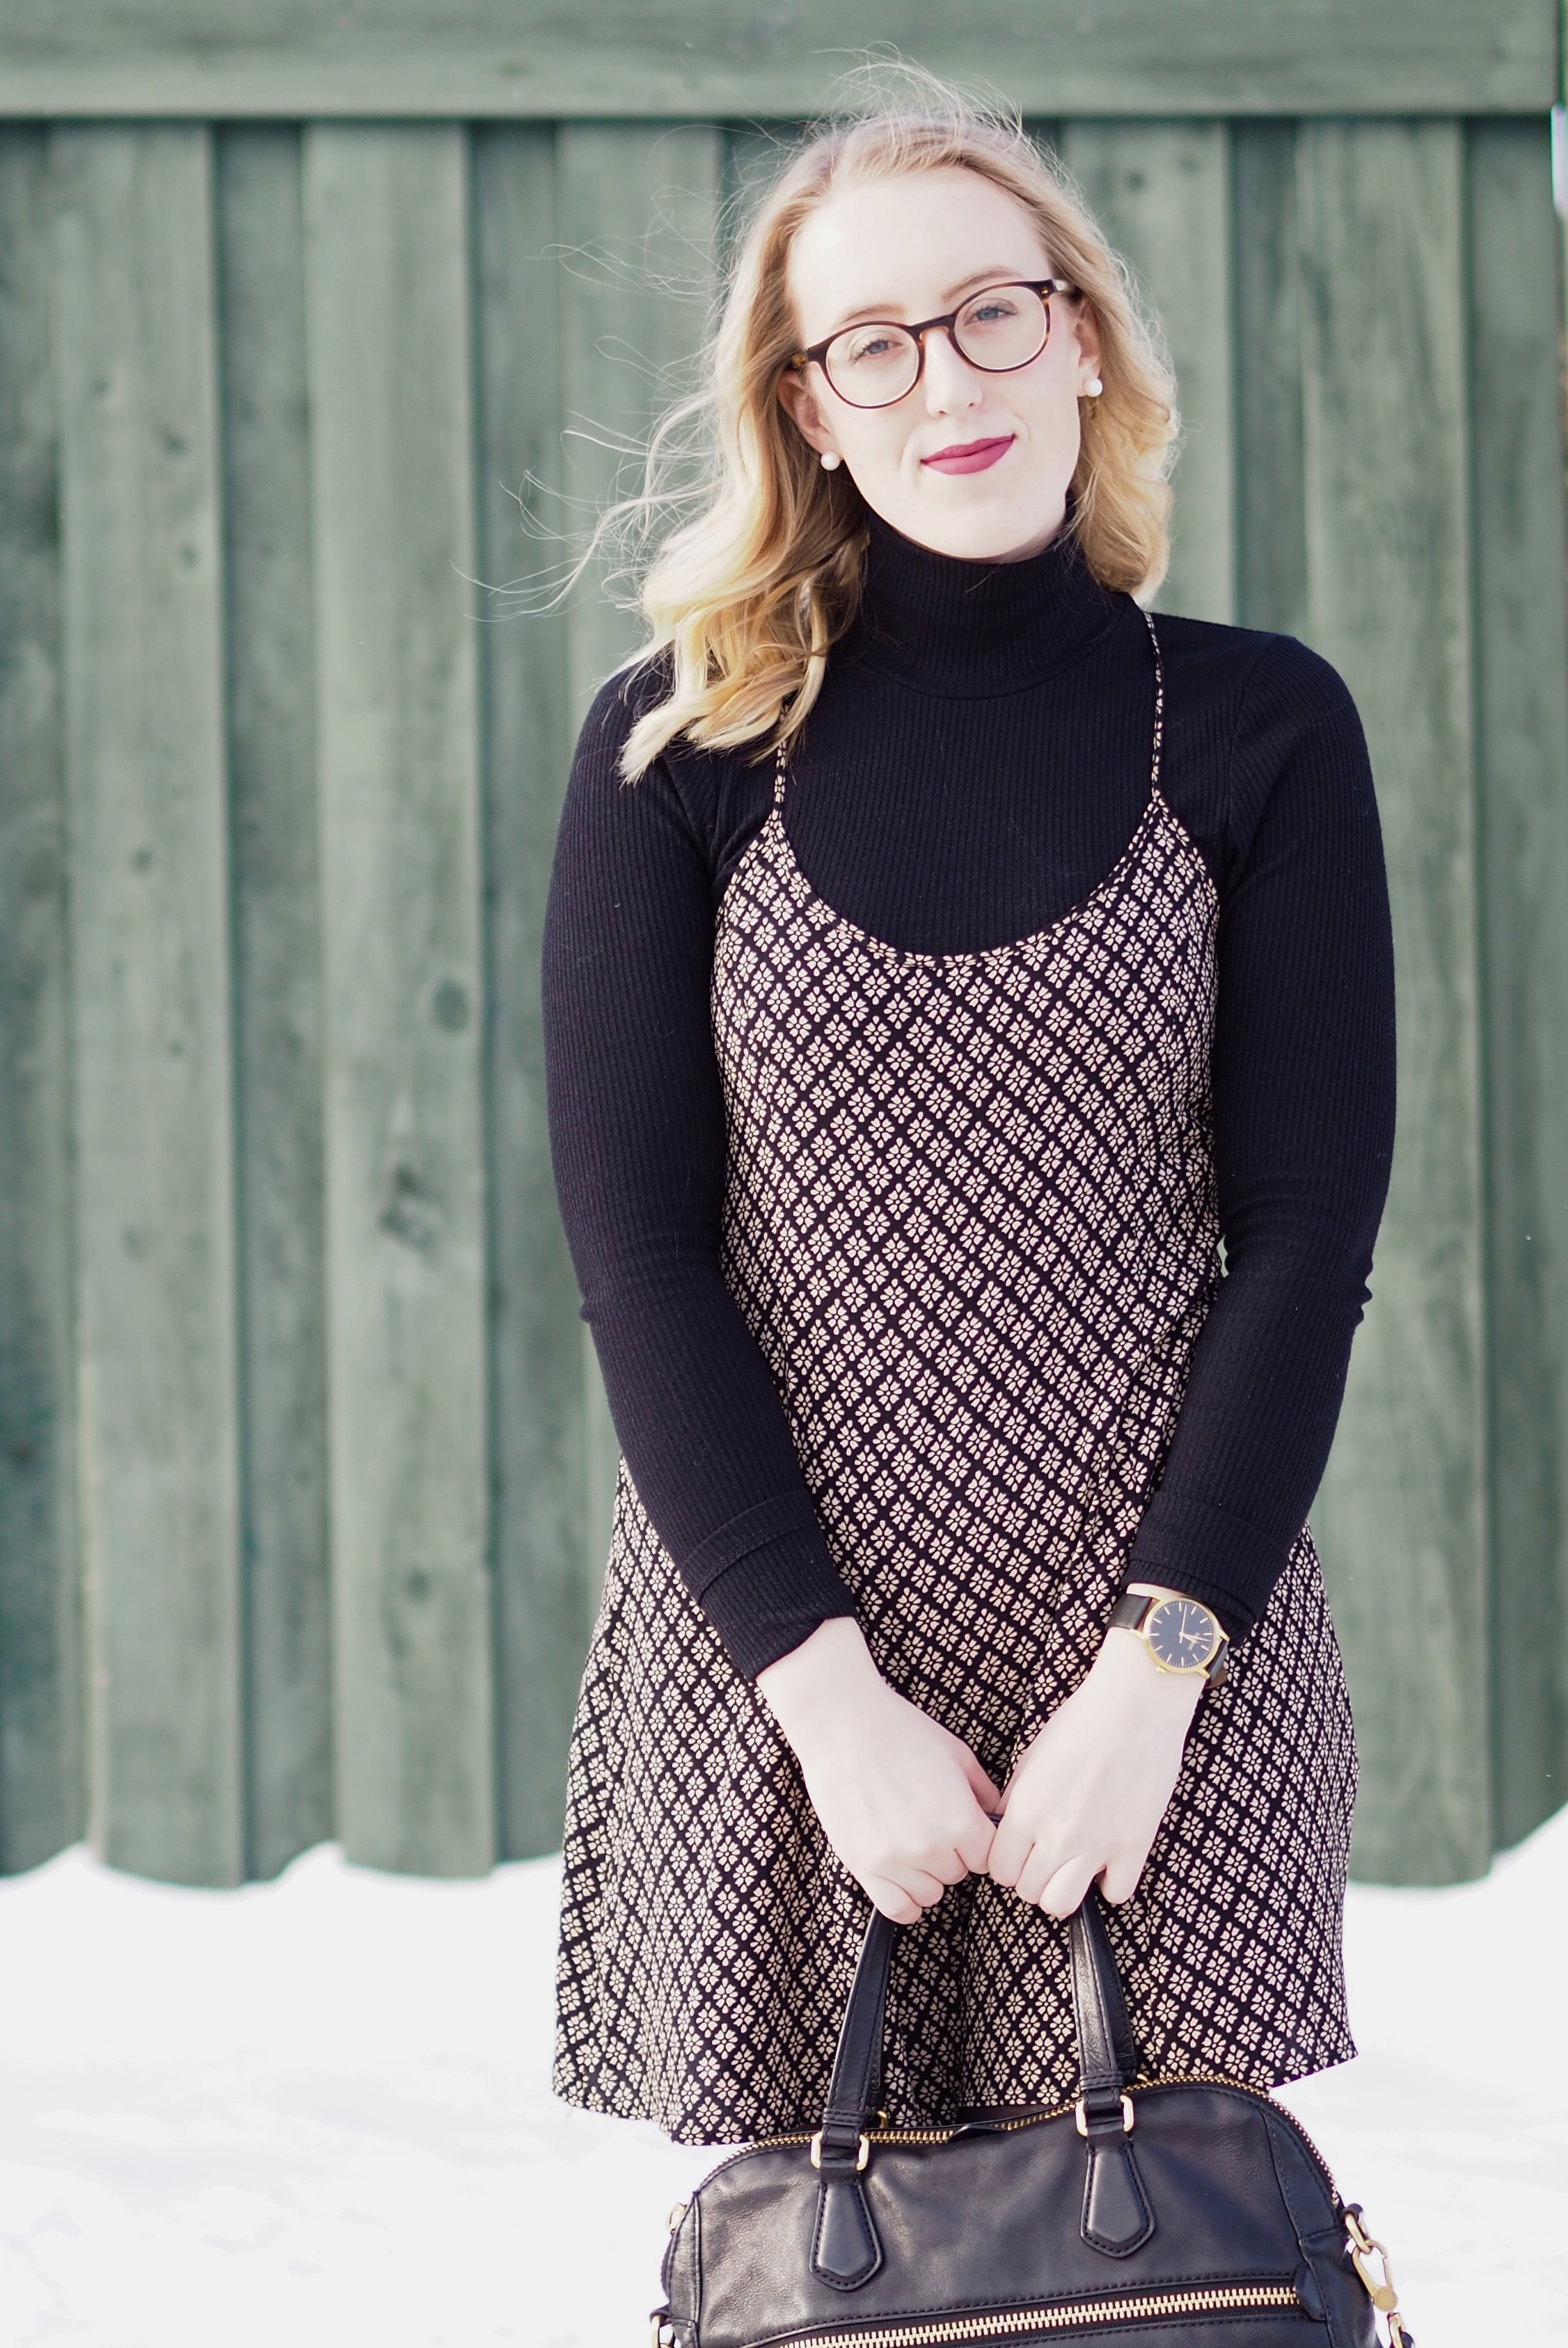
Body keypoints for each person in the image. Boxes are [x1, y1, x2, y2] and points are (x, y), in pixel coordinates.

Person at [542, 77, 1397, 2149]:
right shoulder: (685, 753)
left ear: (1082, 332)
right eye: (875, 344)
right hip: (785, 1682)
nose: (949, 381)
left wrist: (1156, 1677)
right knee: (838, 2325)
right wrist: (828, 1708)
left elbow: (1303, 1235)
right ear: (812, 408)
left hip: (1155, 1680)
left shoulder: (1260, 728)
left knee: (1164, 2321)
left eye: (993, 312)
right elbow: (640, 1251)